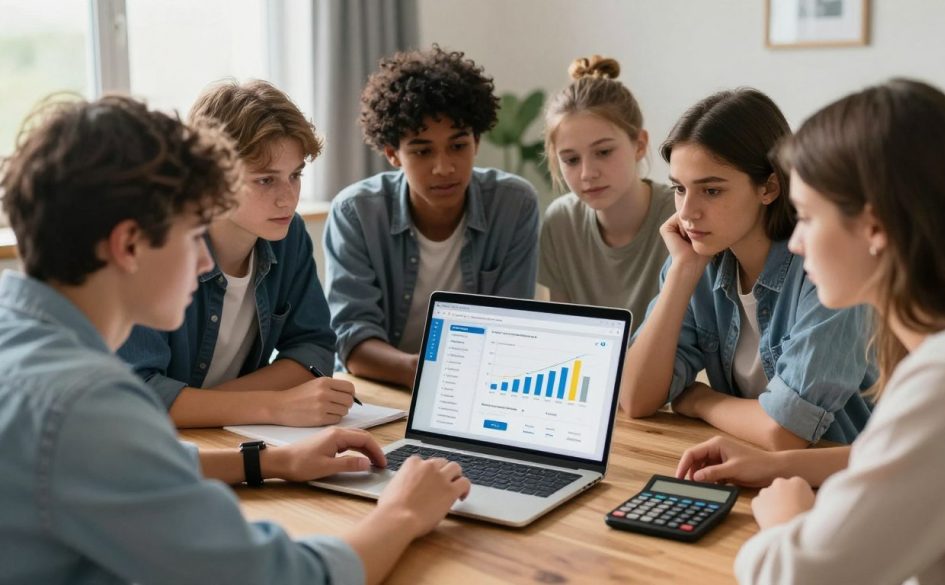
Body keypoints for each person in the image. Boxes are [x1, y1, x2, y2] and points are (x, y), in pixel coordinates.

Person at [0, 95, 470, 585]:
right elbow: (282, 579)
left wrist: (273, 461)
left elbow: (127, 468)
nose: (205, 262)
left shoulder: (20, 341)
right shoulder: (87, 407)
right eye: (191, 234)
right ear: (129, 244)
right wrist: (402, 511)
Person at [677, 79, 945, 584]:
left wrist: (786, 520)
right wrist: (779, 466)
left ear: (876, 227)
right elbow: (908, 457)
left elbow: (792, 576)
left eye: (807, 217)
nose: (796, 242)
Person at [620, 89, 875, 450]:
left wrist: (701, 400)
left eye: (711, 191)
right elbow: (635, 399)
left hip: (842, 476)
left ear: (769, 187)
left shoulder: (826, 271)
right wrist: (681, 272)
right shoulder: (695, 260)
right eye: (679, 188)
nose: (687, 212)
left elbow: (785, 433)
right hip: (752, 466)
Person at [118, 80, 356, 428]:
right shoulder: (157, 248)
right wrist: (273, 406)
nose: (288, 198)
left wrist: (211, 406)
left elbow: (314, 349)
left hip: (230, 434)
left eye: (295, 175)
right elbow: (140, 397)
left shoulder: (289, 235)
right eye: (266, 180)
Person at [324, 45, 540, 389]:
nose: (444, 168)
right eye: (423, 151)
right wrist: (428, 372)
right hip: (381, 389)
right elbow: (352, 341)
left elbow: (510, 328)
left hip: (475, 386)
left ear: (477, 141)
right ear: (393, 154)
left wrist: (449, 379)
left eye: (458, 146)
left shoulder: (513, 205)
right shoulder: (356, 213)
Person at [539, 55, 674, 332]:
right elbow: (561, 334)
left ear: (639, 145)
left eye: (603, 152)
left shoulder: (679, 216)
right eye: (571, 160)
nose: (587, 173)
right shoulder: (561, 221)